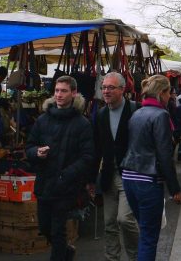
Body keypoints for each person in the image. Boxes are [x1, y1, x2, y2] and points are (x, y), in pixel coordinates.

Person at [26, 75, 95, 261]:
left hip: (66, 187)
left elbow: (88, 157)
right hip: (44, 183)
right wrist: (36, 152)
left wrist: (67, 175)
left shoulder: (82, 123)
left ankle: (60, 254)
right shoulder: (42, 120)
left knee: (57, 231)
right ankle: (66, 252)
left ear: (73, 93)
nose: (59, 95)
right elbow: (29, 146)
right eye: (56, 90)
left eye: (63, 91)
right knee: (44, 228)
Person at [121, 75, 181, 261]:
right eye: (169, 93)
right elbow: (165, 155)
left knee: (144, 229)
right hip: (148, 179)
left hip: (129, 176)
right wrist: (175, 189)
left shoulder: (137, 113)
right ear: (162, 93)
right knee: (149, 236)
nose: (171, 97)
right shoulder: (161, 115)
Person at [93, 72, 139, 261]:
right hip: (108, 175)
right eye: (104, 87)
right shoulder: (101, 114)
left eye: (111, 87)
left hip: (129, 174)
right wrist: (91, 179)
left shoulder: (135, 110)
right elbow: (97, 148)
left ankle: (136, 255)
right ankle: (112, 257)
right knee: (110, 223)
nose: (106, 91)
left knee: (125, 219)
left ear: (122, 89)